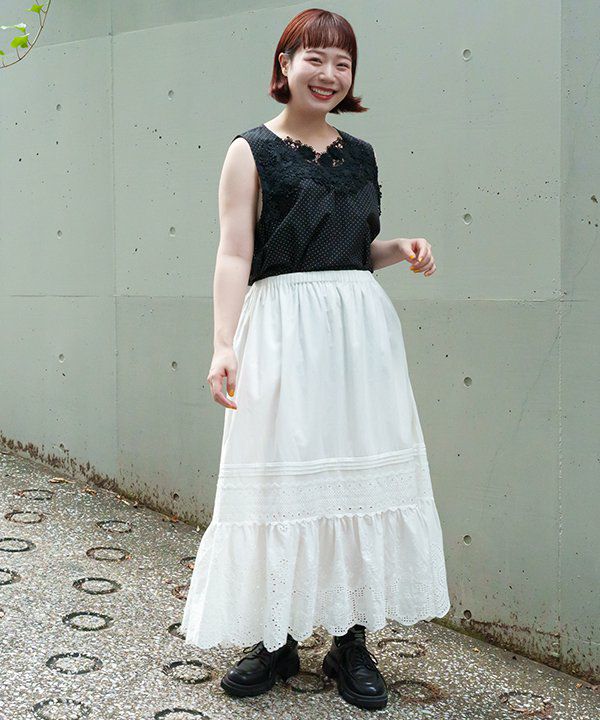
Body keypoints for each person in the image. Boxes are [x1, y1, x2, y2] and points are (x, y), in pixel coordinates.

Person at [180, 8, 450, 711]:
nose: (329, 74)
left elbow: (354, 250)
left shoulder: (361, 154)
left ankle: (349, 643)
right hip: (279, 330)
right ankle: (275, 640)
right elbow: (234, 253)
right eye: (315, 58)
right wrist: (223, 343)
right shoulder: (250, 151)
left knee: (355, 476)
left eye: (343, 63)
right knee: (276, 478)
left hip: (359, 337)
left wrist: (400, 249)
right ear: (285, 65)